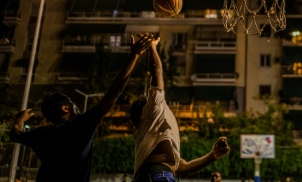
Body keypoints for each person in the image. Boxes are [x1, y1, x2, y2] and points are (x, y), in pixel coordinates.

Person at [10, 33, 154, 182]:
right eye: (70, 101)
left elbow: (15, 134)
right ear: (65, 108)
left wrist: (19, 120)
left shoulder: (41, 135)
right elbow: (115, 91)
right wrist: (134, 55)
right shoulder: (80, 126)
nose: (75, 104)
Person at [131, 36, 230, 182]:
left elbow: (183, 167)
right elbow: (156, 70)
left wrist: (213, 155)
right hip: (158, 177)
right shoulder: (152, 110)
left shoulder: (157, 136)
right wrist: (152, 46)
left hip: (156, 176)